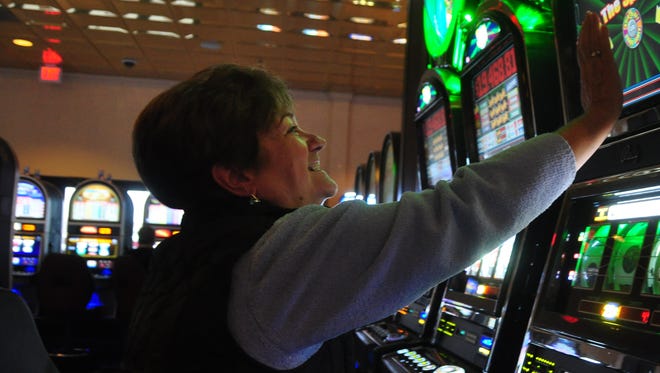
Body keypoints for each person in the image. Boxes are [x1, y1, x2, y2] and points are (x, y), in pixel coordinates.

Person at [122, 11, 621, 372]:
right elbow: (462, 211)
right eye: (289, 131)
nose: (314, 141)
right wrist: (597, 121)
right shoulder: (271, 258)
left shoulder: (193, 255)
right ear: (236, 177)